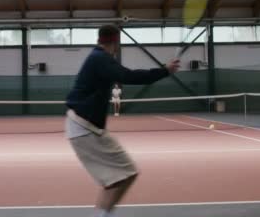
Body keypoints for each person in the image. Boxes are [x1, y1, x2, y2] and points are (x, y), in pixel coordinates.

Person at [65, 25, 180, 217]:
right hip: (84, 127)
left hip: (87, 127)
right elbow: (129, 76)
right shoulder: (100, 59)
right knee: (123, 176)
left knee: (121, 176)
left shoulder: (98, 57)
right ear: (116, 42)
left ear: (99, 39)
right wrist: (165, 71)